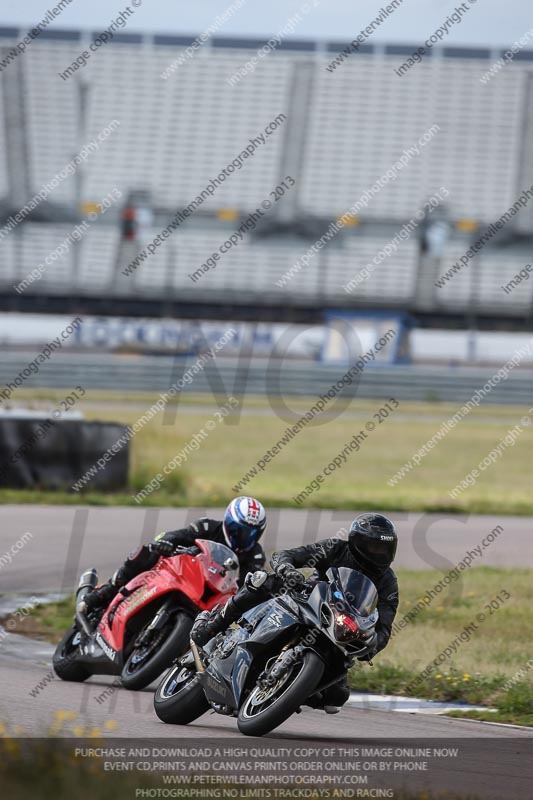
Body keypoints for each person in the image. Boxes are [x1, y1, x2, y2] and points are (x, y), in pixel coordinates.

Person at [191, 512, 399, 713]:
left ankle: (288, 688)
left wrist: (371, 646)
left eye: (384, 548)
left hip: (338, 628)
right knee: (262, 581)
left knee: (336, 697)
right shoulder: (336, 548)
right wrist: (287, 569)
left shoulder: (388, 581)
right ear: (357, 542)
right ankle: (213, 625)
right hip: (308, 600)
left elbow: (384, 627)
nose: (378, 553)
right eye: (373, 546)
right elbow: (287, 555)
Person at [84, 496, 267, 611]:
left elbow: (247, 584)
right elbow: (176, 535)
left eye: (252, 533)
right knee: (145, 553)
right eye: (240, 530)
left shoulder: (256, 555)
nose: (245, 537)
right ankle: (108, 590)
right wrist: (164, 542)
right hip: (184, 574)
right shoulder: (207, 527)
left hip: (213, 596)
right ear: (228, 521)